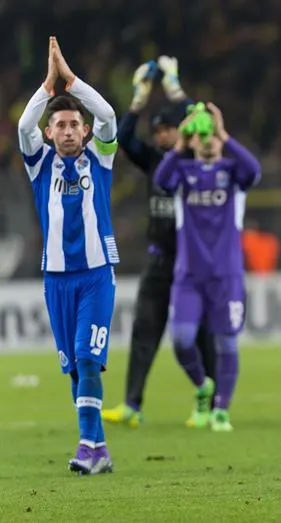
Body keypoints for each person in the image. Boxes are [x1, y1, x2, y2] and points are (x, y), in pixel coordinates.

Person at [18, 37, 118, 474]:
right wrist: (47, 84)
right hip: (55, 279)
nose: (68, 131)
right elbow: (23, 128)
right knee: (74, 369)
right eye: (59, 125)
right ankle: (99, 449)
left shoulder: (100, 158)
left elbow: (110, 116)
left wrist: (71, 79)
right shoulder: (40, 164)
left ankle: (85, 446)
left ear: (84, 130)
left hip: (96, 274)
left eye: (75, 124)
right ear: (49, 132)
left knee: (87, 356)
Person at [102, 57, 216, 428]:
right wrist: (138, 100)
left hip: (192, 263)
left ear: (177, 130)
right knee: (144, 333)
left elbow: (202, 117)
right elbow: (121, 137)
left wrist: (173, 86)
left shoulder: (196, 158)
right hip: (159, 261)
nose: (158, 137)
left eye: (163, 130)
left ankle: (214, 405)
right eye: (156, 132)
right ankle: (132, 404)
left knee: (201, 334)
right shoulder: (154, 161)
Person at [153, 102, 261, 432]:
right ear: (194, 141)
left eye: (213, 136)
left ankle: (221, 410)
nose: (209, 141)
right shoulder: (183, 174)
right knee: (182, 340)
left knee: (226, 343)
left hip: (226, 276)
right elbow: (160, 180)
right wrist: (180, 145)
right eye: (203, 136)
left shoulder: (233, 174)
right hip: (189, 276)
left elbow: (254, 170)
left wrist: (224, 132)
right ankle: (203, 387)